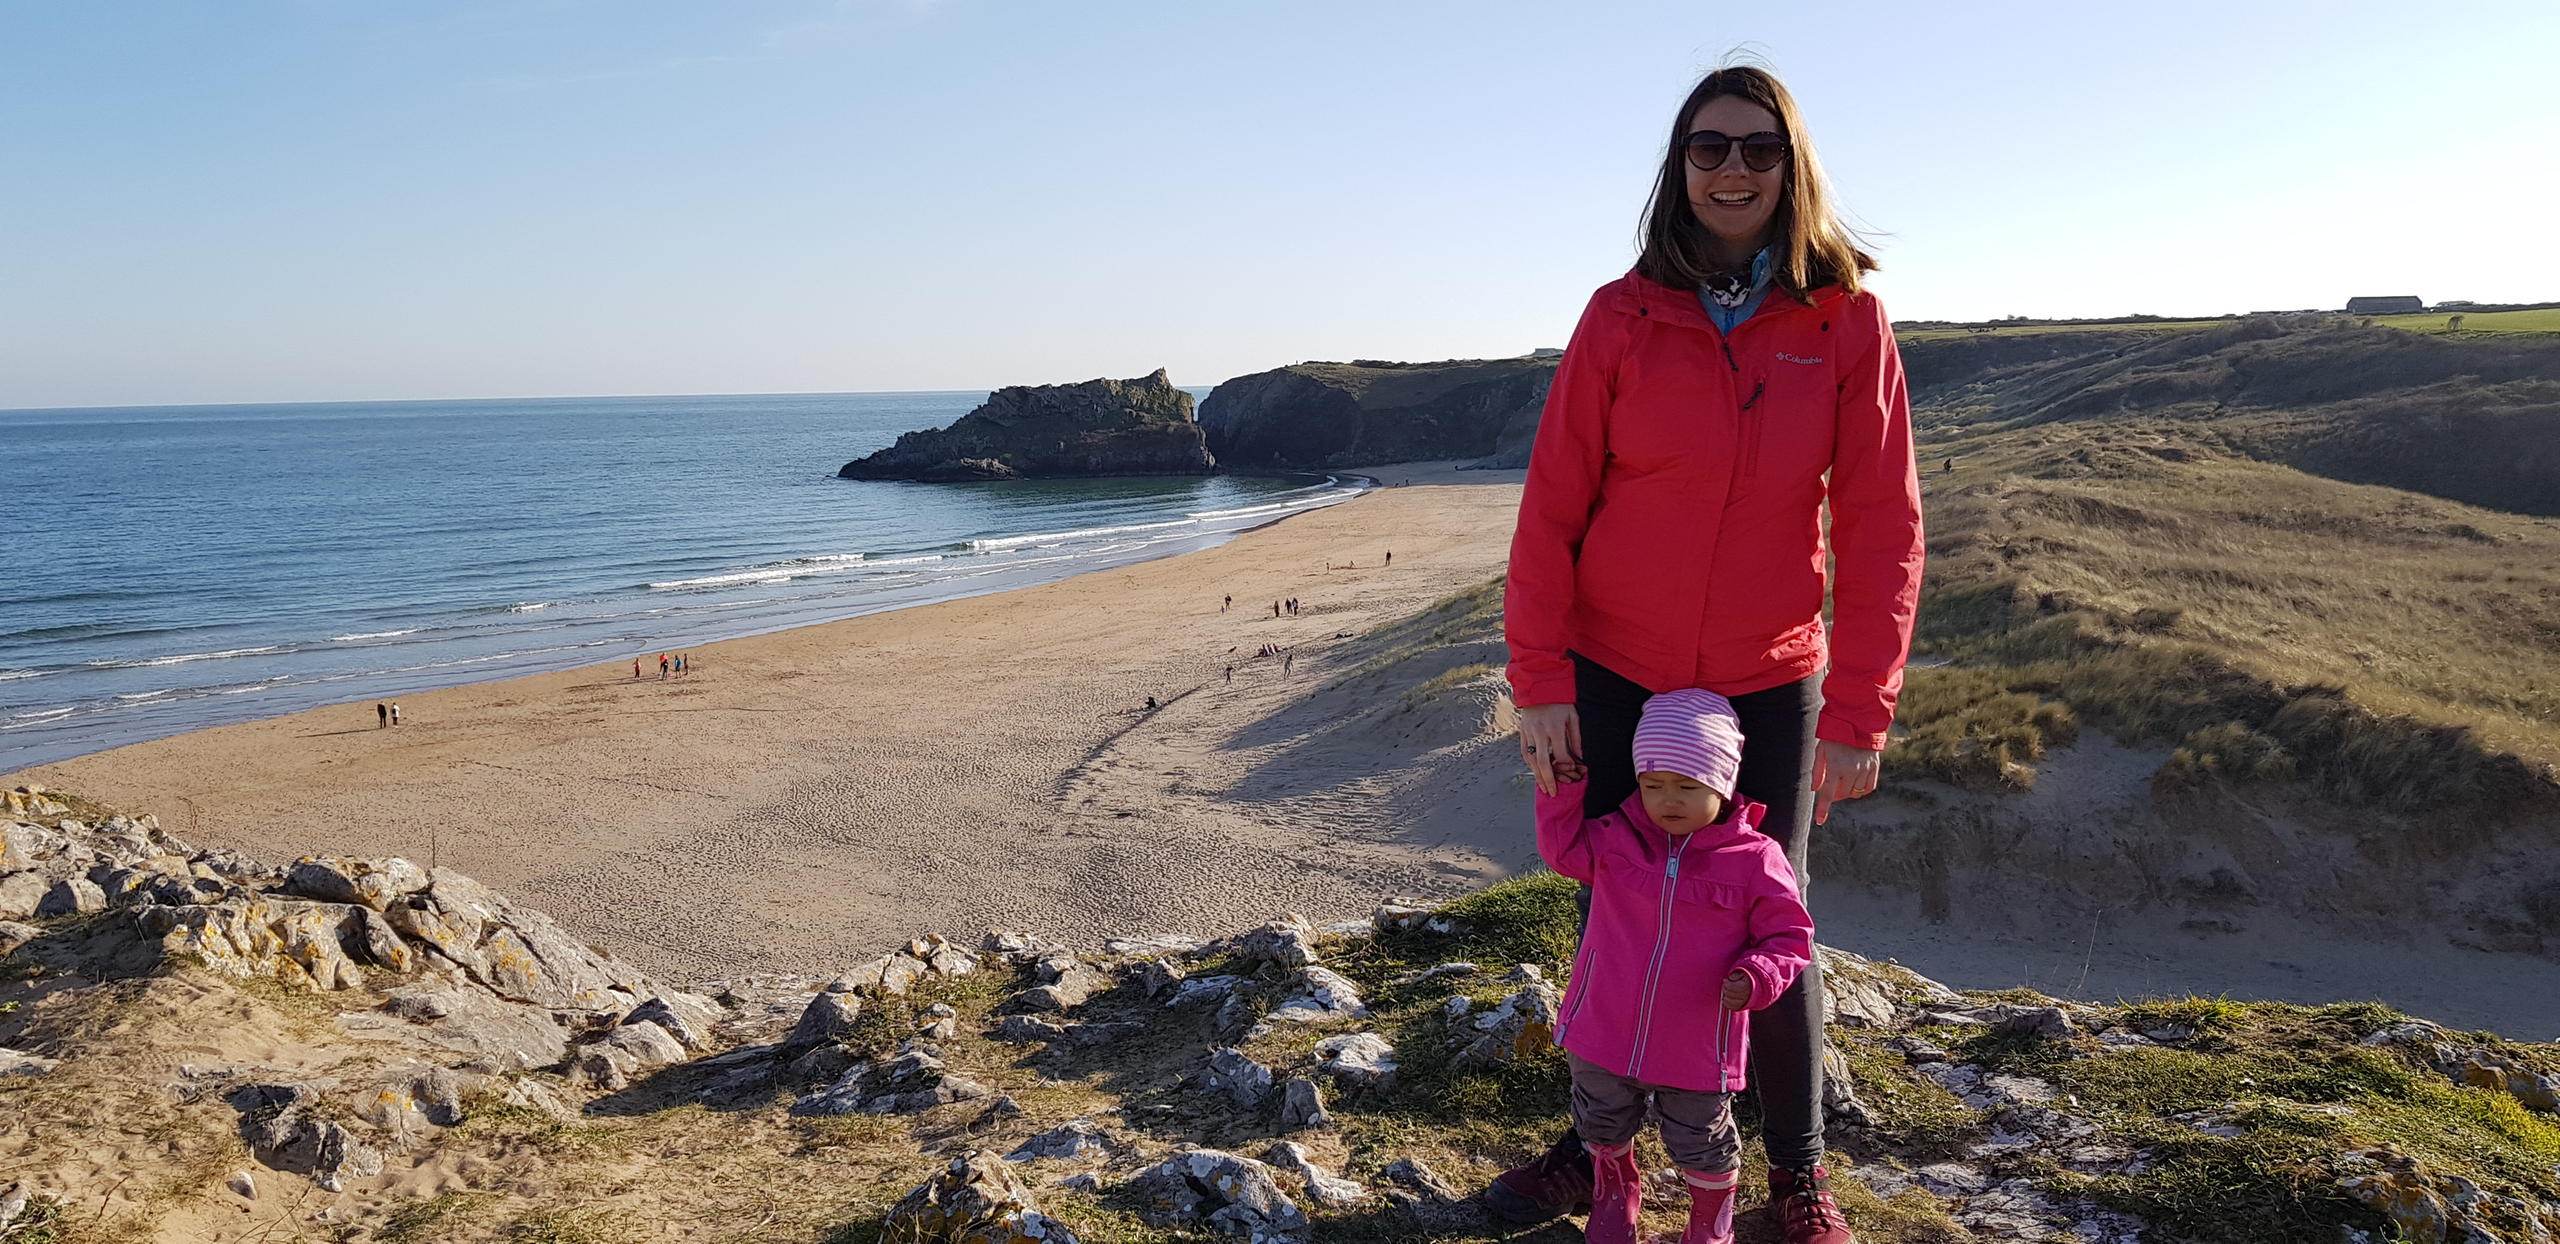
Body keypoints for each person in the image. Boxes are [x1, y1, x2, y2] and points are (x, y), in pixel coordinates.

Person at [1494, 64, 1923, 1244]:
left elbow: (1885, 524)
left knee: (1768, 917)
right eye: (1707, 148)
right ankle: (1596, 1150)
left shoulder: (1844, 321)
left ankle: (1796, 1177)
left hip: (1764, 675)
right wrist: (1540, 683)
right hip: (1616, 668)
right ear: (1677, 168)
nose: (1731, 170)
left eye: (1756, 149)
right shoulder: (1619, 314)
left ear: (1792, 168)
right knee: (1615, 908)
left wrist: (1861, 711)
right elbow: (1551, 510)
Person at [1538, 689, 1812, 1244]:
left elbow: (1790, 933)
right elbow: (1562, 852)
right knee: (1600, 1119)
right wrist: (1562, 790)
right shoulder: (1617, 836)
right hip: (1603, 1027)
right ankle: (1616, 1194)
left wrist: (1759, 974)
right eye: (1653, 784)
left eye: (1688, 787)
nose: (1668, 800)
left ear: (1724, 783)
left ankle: (1711, 1221)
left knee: (1702, 1139)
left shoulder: (1756, 858)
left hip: (1695, 1043)